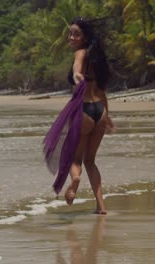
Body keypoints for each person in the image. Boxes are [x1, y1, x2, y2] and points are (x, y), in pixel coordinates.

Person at [43, 17, 114, 215]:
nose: (71, 37)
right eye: (70, 33)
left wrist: (76, 75)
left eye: (76, 34)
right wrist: (107, 115)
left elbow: (77, 67)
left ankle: (75, 180)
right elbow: (102, 89)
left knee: (76, 160)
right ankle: (101, 207)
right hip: (100, 110)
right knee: (90, 161)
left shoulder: (80, 53)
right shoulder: (98, 60)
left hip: (84, 111)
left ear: (85, 37)